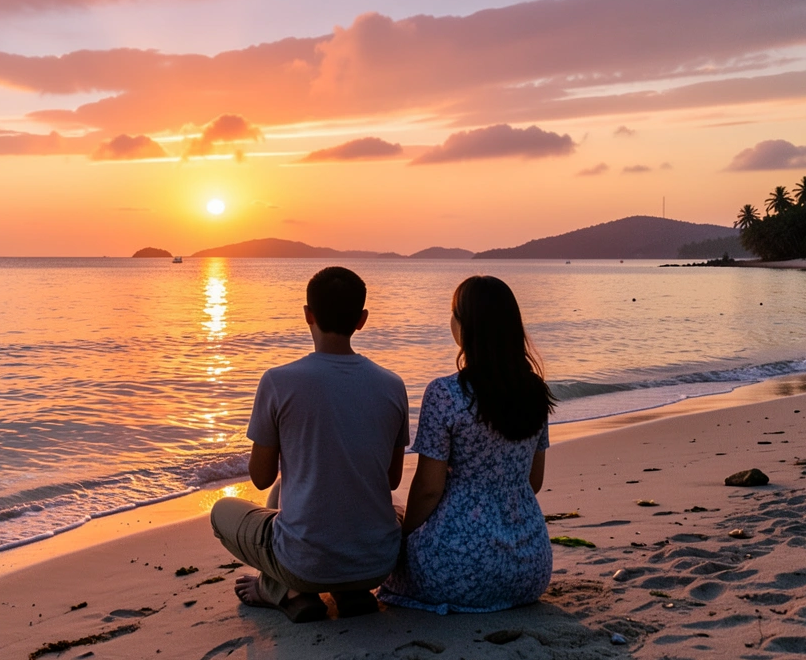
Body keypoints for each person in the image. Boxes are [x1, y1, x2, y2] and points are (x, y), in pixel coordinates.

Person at [210, 266, 409, 623]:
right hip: (377, 564)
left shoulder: (278, 382)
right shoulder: (392, 385)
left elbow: (259, 476)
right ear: (362, 320)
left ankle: (282, 590)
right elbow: (391, 479)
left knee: (220, 513)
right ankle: (350, 593)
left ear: (307, 315)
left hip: (306, 564)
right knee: (299, 491)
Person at [378, 275, 555, 614]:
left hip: (459, 569)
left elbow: (429, 490)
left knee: (395, 517)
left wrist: (408, 540)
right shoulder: (534, 391)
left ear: (465, 326)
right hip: (530, 567)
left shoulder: (445, 393)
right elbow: (534, 481)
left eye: (453, 313)